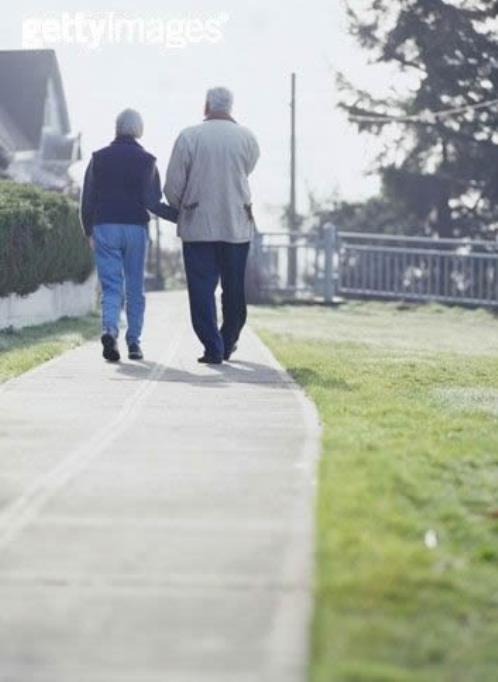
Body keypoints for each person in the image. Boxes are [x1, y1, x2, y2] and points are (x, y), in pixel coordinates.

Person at [165, 87, 260, 364]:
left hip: (198, 226)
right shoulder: (247, 138)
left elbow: (173, 185)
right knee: (234, 288)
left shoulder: (189, 136)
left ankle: (213, 346)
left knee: (201, 289)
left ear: (206, 105)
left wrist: (181, 207)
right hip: (236, 224)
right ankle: (228, 340)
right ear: (231, 107)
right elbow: (247, 169)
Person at [80, 109, 177, 363]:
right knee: (135, 287)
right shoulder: (148, 160)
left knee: (111, 286)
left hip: (105, 226)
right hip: (135, 228)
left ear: (116, 128)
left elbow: (87, 198)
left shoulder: (98, 158)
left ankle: (110, 330)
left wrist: (88, 229)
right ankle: (134, 342)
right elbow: (152, 202)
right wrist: (180, 216)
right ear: (139, 130)